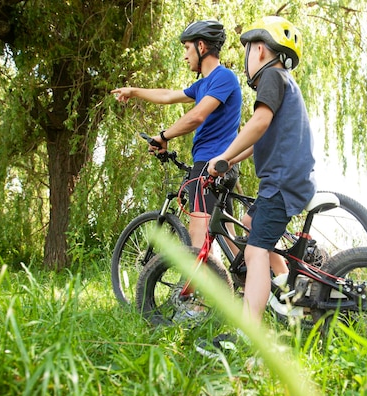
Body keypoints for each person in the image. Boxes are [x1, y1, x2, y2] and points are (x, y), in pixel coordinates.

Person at [195, 16, 317, 359]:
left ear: (260, 50)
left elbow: (259, 122)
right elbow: (258, 137)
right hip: (282, 178)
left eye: (247, 49)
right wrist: (228, 159)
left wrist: (221, 158)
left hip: (281, 181)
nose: (247, 57)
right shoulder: (281, 79)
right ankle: (287, 296)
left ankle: (249, 334)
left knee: (254, 251)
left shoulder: (272, 78)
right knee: (250, 226)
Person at [111, 20, 242, 249]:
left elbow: (196, 116)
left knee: (198, 238)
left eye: (187, 48)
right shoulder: (203, 85)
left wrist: (163, 136)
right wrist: (134, 92)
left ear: (201, 47)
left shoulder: (223, 77)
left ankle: (190, 285)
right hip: (216, 163)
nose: (185, 56)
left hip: (210, 162)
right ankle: (244, 277)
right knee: (229, 239)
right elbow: (168, 95)